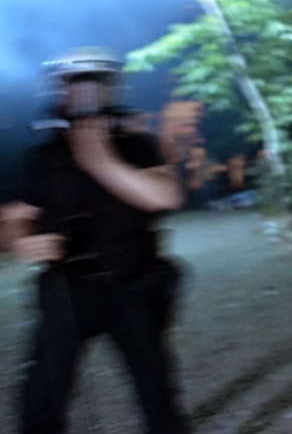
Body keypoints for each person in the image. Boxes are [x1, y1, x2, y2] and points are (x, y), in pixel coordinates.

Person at [0, 47, 190, 434]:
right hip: (67, 289)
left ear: (111, 89)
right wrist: (20, 241)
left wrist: (102, 161)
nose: (86, 94)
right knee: (41, 396)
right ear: (60, 91)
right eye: (76, 84)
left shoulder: (139, 146)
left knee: (156, 390)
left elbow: (165, 196)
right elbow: (11, 219)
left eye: (96, 84)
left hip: (135, 285)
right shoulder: (41, 157)